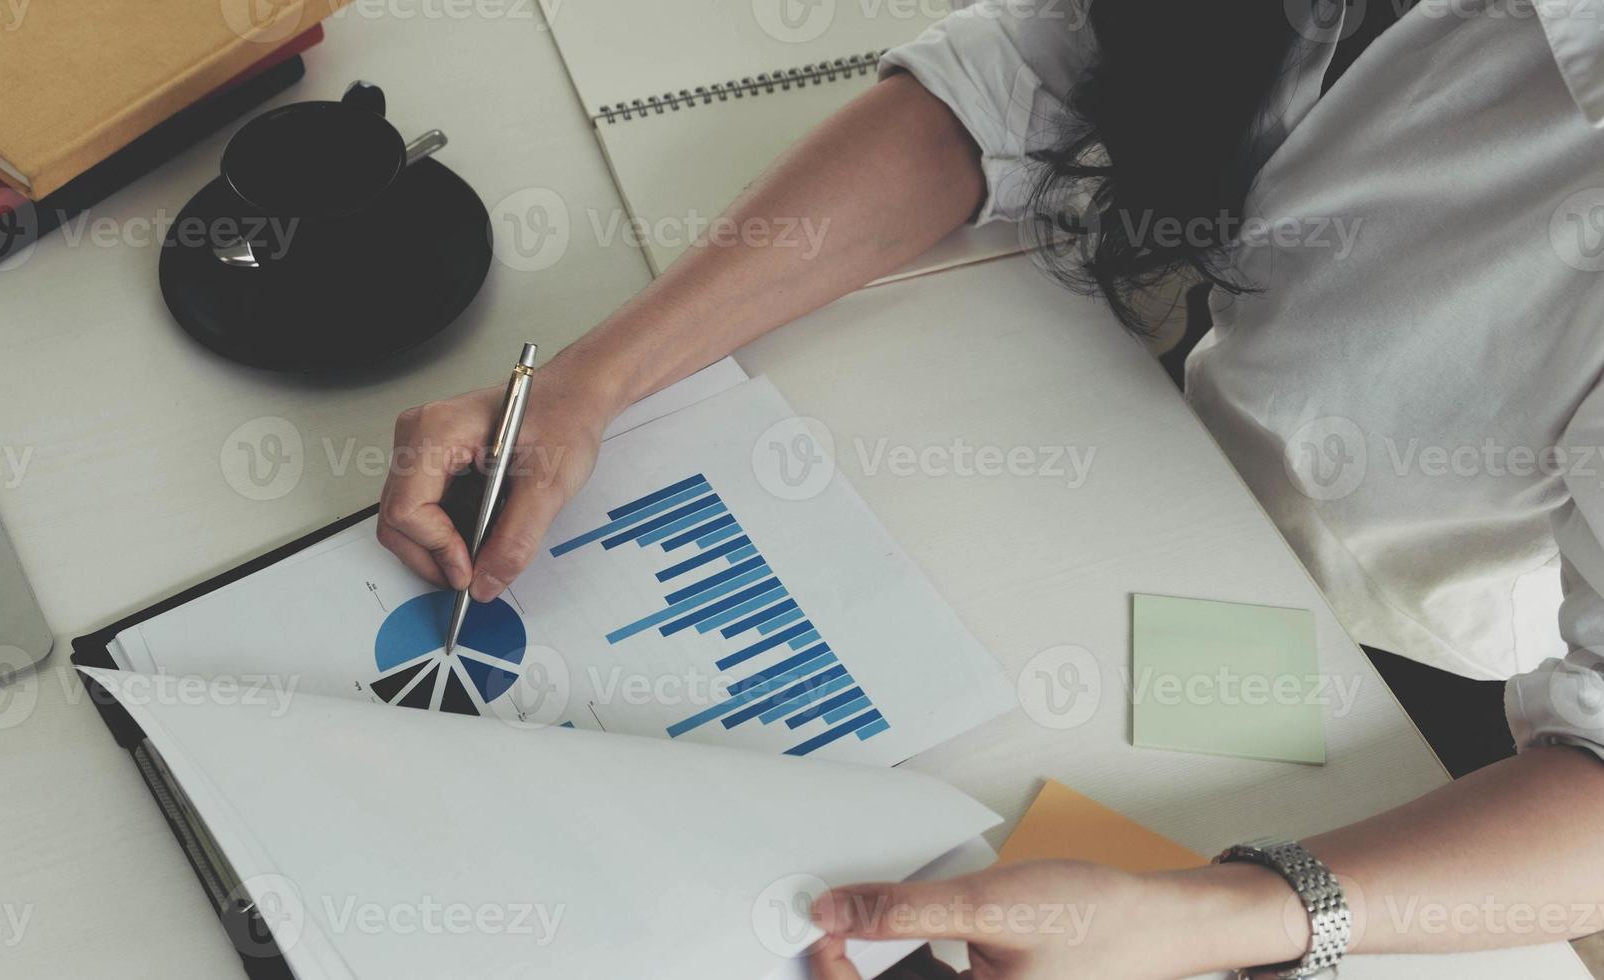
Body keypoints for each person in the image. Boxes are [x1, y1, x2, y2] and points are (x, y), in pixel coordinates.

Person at [377, 0, 1604, 975]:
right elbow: (1032, 74)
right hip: (1149, 466)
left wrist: (1205, 916)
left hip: (1392, 671)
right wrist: (594, 381)